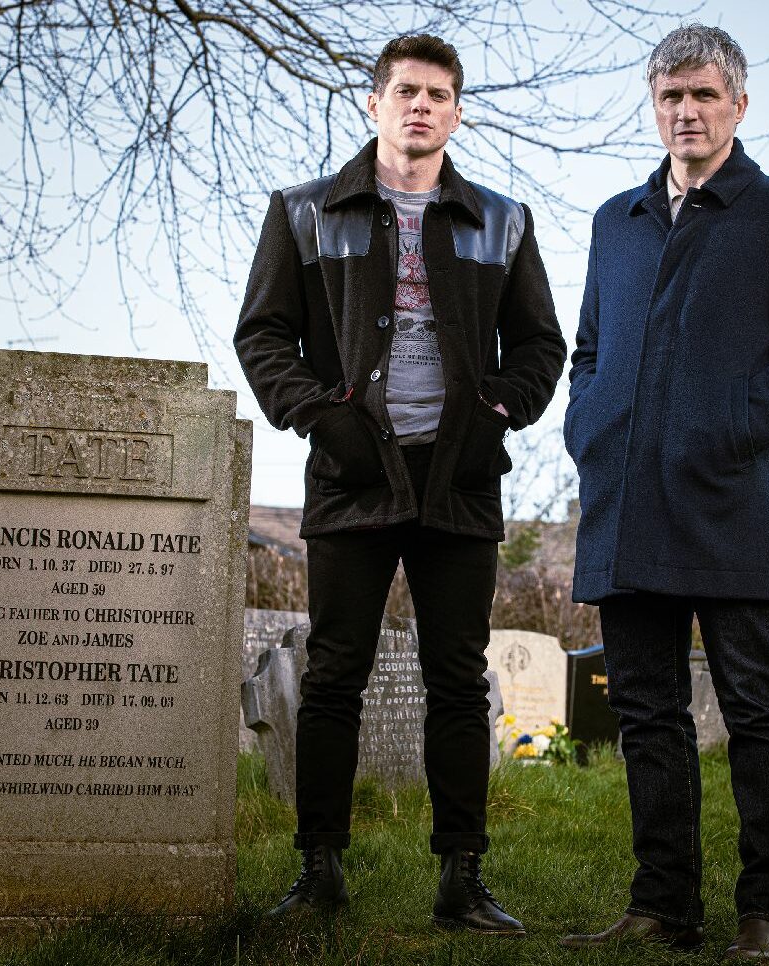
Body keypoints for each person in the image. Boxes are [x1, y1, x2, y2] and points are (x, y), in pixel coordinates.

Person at [233, 33, 565, 935]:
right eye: (407, 91)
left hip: (458, 479)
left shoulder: (501, 219)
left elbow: (541, 344)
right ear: (373, 103)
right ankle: (319, 873)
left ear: (455, 113)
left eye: (440, 95)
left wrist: (498, 411)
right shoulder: (305, 212)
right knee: (334, 671)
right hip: (351, 474)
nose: (422, 106)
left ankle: (463, 879)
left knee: (456, 677)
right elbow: (262, 333)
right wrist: (320, 417)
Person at [557, 24, 769, 961]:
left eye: (703, 97)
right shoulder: (617, 220)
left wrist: (722, 430)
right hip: (626, 501)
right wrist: (590, 429)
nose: (685, 112)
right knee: (645, 712)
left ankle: (766, 910)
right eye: (670, 98)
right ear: (655, 107)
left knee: (757, 709)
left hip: (728, 500)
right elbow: (589, 348)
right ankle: (662, 905)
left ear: (738, 106)